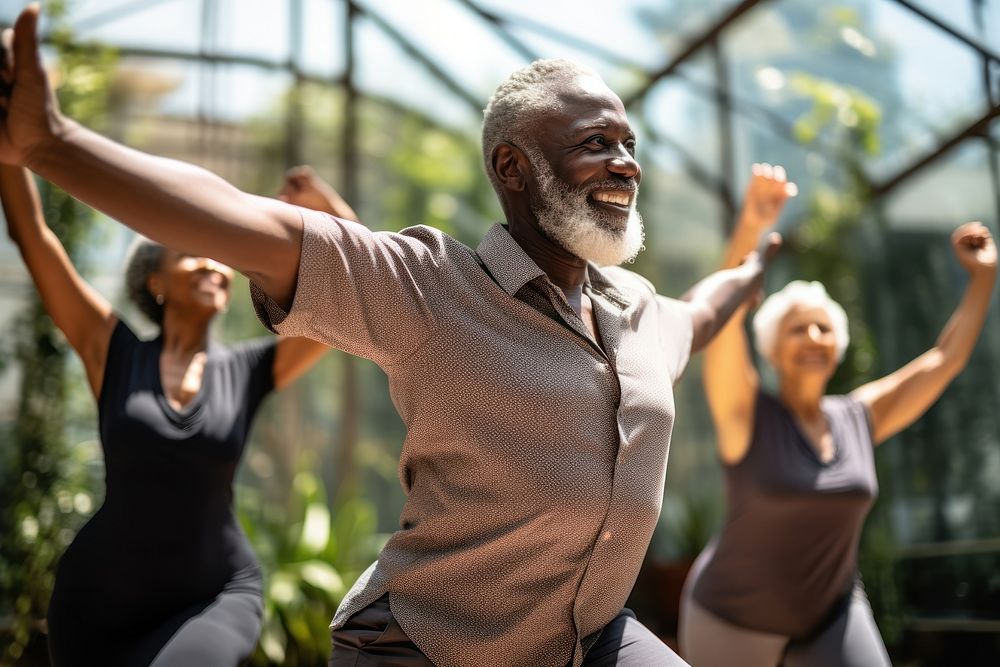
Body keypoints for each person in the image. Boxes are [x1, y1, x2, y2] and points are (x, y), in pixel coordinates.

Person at [2, 8, 779, 665]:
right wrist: (52, 144)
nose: (625, 164)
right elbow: (237, 218)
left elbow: (707, 308)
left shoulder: (640, 311)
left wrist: (752, 258)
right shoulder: (430, 288)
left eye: (630, 144)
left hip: (591, 637)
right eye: (595, 143)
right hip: (428, 646)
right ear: (513, 166)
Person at [0, 160, 359, 665]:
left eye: (222, 259)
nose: (215, 265)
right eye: (193, 255)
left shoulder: (251, 368)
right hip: (100, 605)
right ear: (155, 281)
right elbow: (33, 237)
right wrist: (10, 147)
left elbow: (355, 295)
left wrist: (330, 213)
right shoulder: (113, 351)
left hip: (214, 595)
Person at [678, 164, 997, 666]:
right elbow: (722, 322)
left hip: (832, 616)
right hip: (732, 622)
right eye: (798, 329)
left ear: (838, 347)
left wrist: (983, 279)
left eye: (824, 329)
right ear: (771, 349)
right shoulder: (747, 413)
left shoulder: (858, 417)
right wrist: (751, 226)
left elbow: (944, 360)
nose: (813, 338)